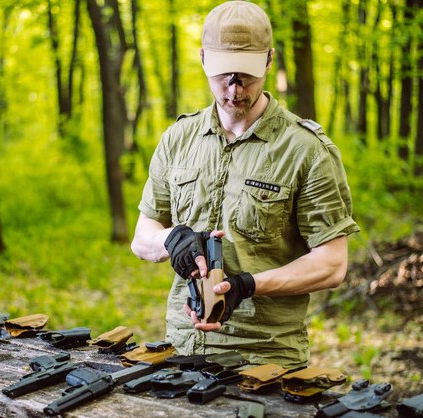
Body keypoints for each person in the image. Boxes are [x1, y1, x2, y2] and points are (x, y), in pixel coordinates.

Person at [130, 0, 359, 369]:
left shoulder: (305, 150)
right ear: (203, 59)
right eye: (224, 75)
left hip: (266, 357)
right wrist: (170, 240)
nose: (234, 89)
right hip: (181, 349)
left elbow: (332, 264)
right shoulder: (178, 139)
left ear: (269, 60)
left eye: (246, 75)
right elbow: (142, 236)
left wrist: (248, 285)